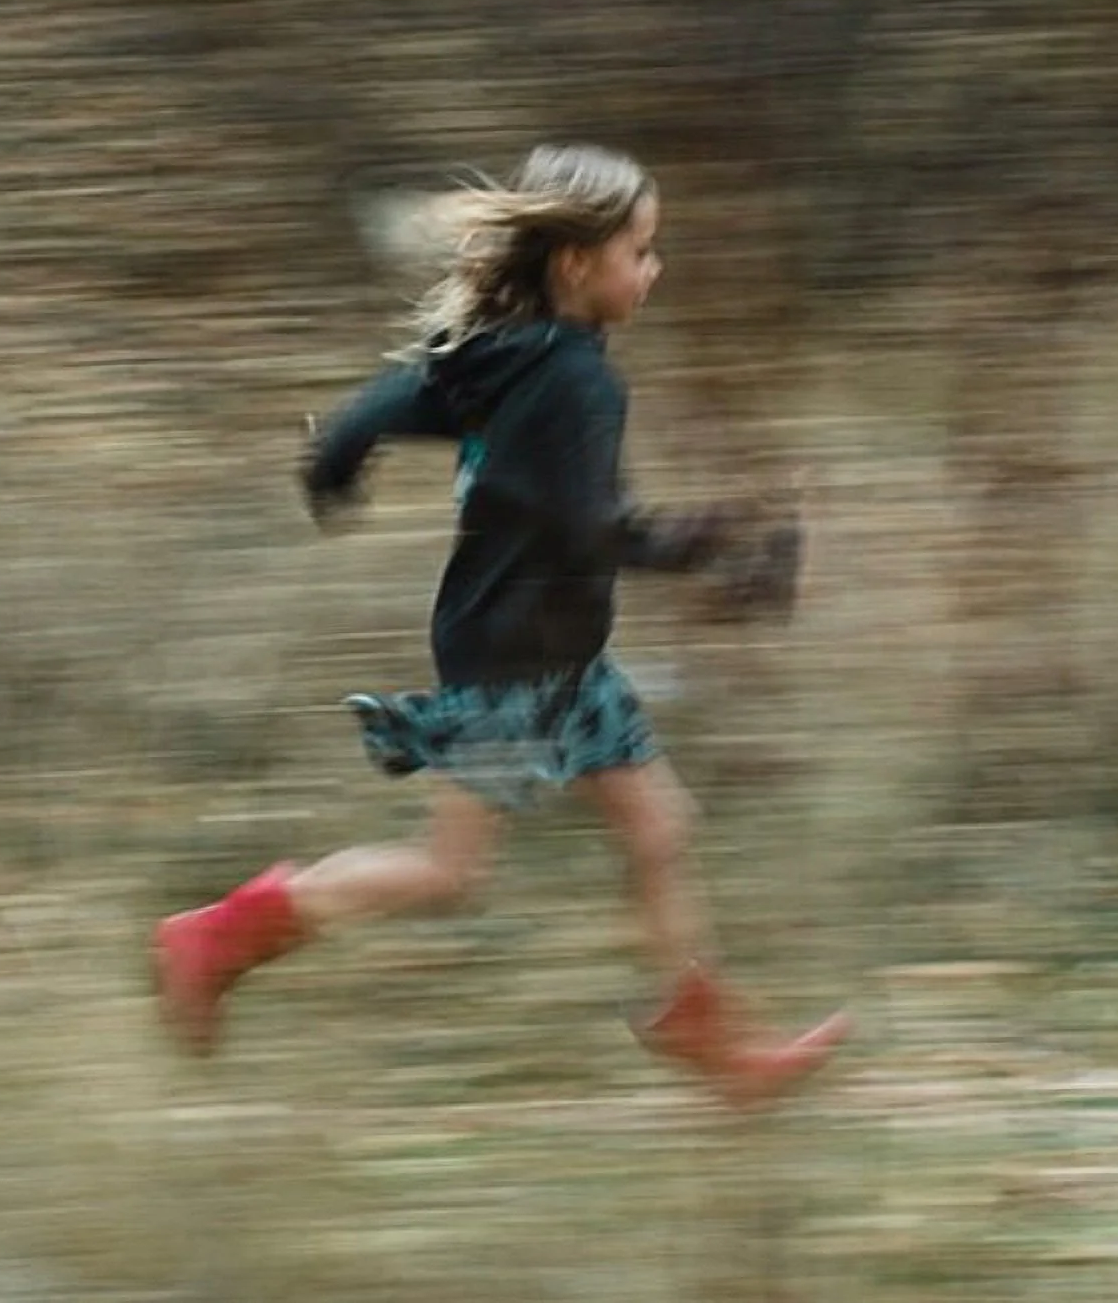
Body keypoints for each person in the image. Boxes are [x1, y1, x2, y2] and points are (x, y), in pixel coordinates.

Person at [153, 144, 850, 1107]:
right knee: (447, 872)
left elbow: (401, 394)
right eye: (640, 251)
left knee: (659, 828)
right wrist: (723, 542)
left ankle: (706, 1038)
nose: (653, 270)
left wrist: (336, 460)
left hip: (548, 645)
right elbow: (597, 531)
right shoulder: (573, 384)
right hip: (516, 658)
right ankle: (219, 934)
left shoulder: (504, 355)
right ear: (576, 265)